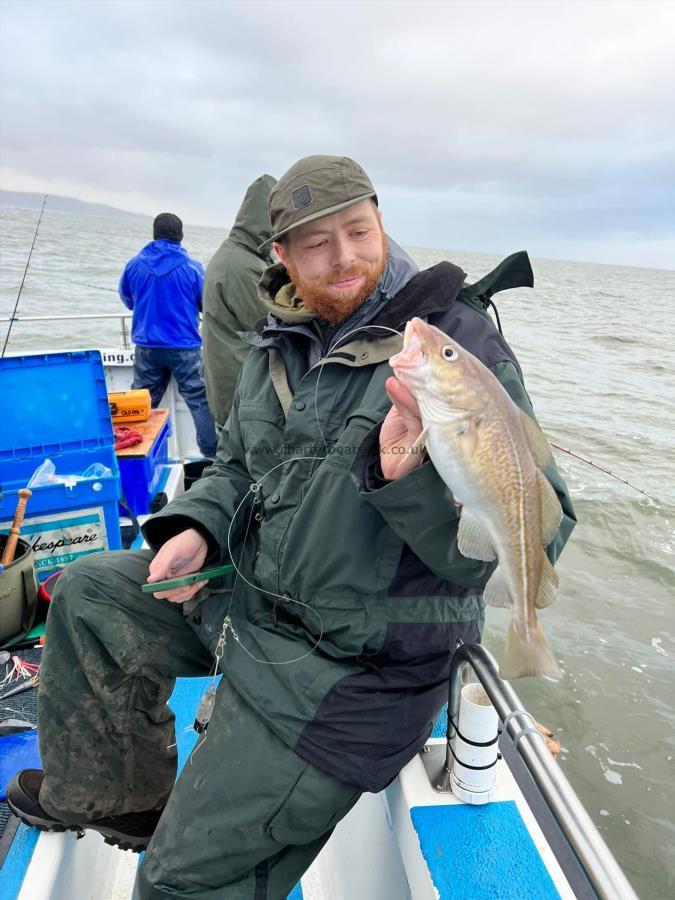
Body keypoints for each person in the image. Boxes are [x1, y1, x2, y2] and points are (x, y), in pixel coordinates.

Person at [7, 156, 576, 899]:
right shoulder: (279, 341)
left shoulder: (455, 347)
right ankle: (123, 800)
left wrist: (402, 481)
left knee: (178, 881)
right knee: (88, 593)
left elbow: (540, 531)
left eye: (358, 231)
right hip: (254, 601)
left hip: (354, 668)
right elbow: (238, 465)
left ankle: (190, 845)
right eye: (315, 243)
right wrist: (201, 529)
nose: (343, 257)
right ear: (280, 256)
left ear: (381, 221)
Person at [118, 212, 217, 458]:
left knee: (141, 404)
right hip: (184, 347)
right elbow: (205, 303)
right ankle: (211, 454)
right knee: (198, 400)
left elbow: (127, 299)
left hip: (147, 348)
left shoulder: (134, 265)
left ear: (154, 233)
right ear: (180, 236)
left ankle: (133, 455)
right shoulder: (193, 269)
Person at [202, 174, 277, 430]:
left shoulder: (237, 254)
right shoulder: (242, 267)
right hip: (242, 399)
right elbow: (272, 329)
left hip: (232, 391)